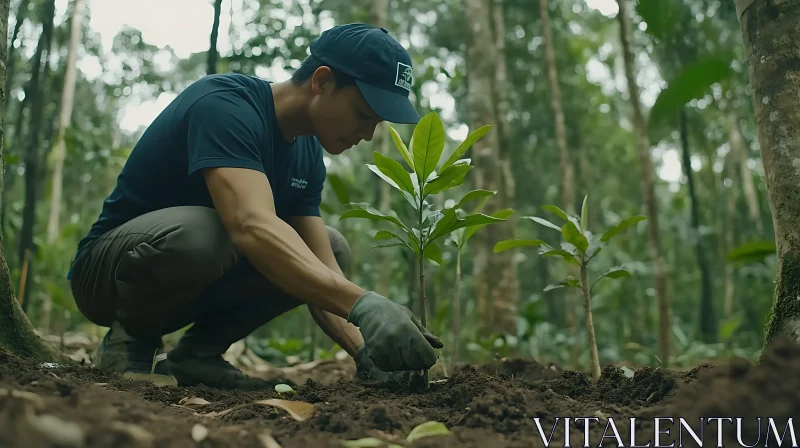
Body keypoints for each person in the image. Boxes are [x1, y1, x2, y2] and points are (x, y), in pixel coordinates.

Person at [68, 23, 443, 389]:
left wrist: (369, 352)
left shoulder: (308, 152)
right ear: (322, 81)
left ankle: (198, 356)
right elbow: (250, 225)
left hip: (191, 283)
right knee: (211, 231)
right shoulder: (226, 105)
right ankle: (131, 344)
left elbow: (324, 265)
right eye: (363, 113)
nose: (367, 133)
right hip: (107, 278)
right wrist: (364, 304)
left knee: (331, 246)